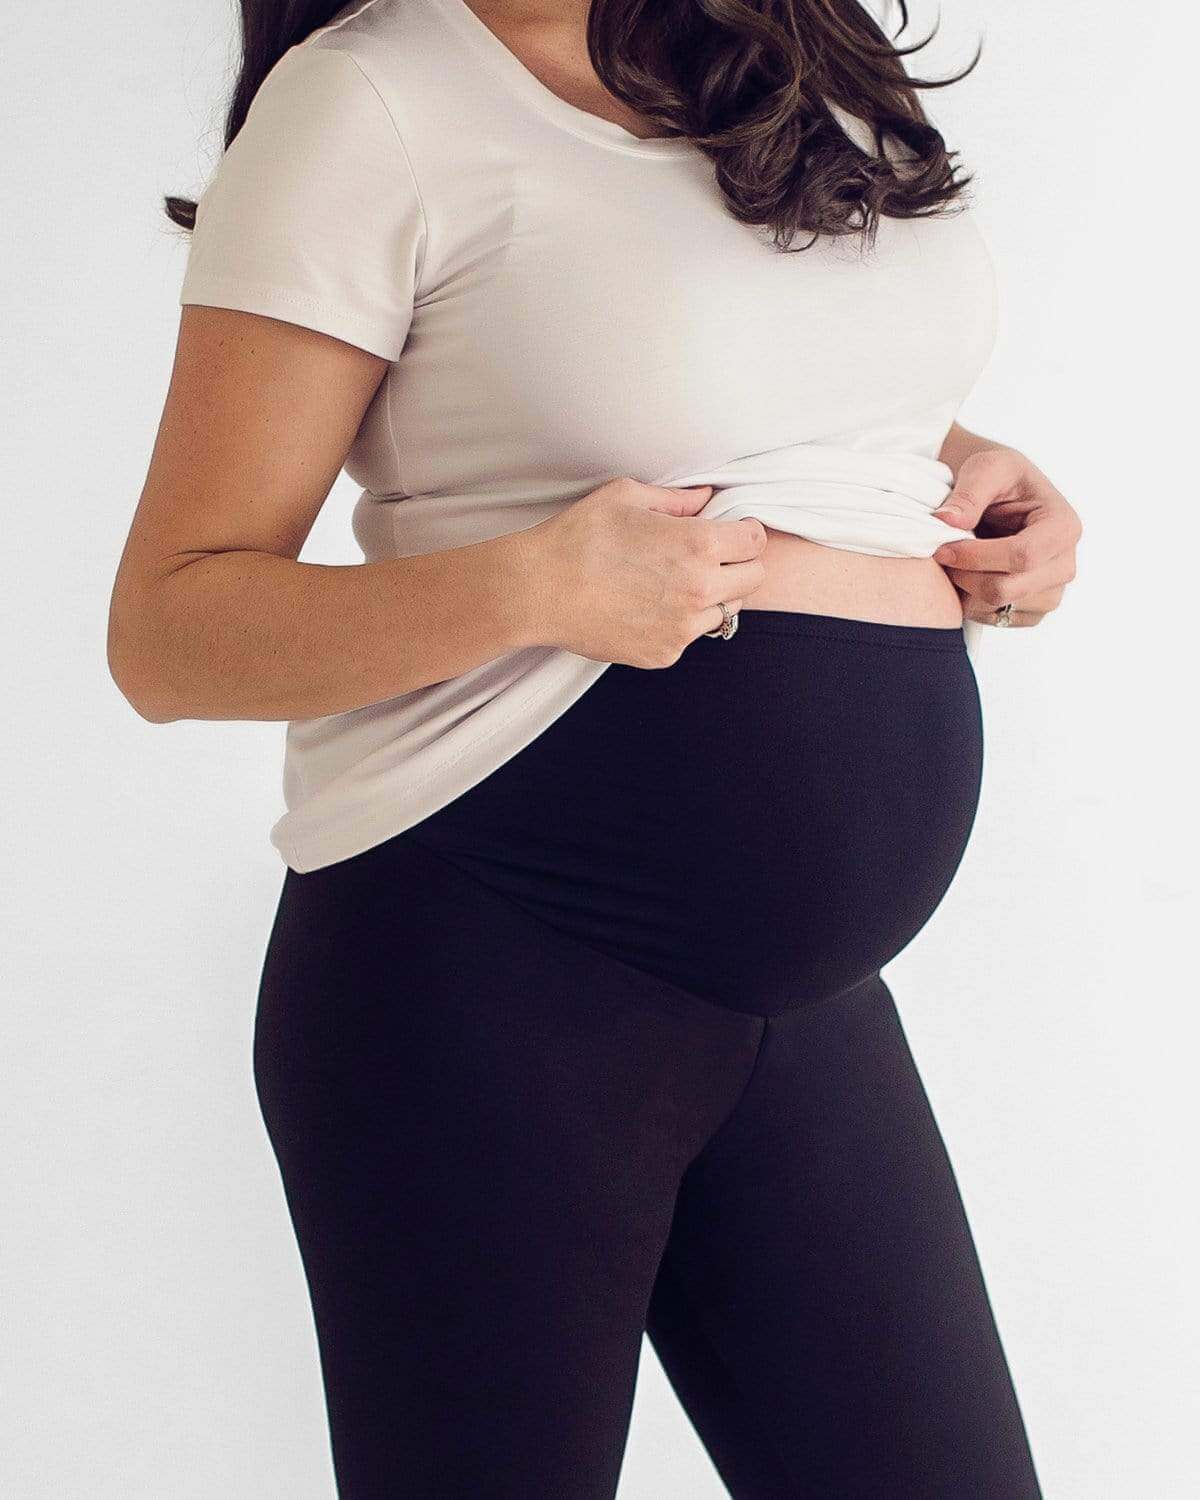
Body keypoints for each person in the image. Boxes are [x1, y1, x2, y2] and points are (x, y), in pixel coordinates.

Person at [108, 0, 1081, 1494]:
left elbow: (684, 358)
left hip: (803, 1000)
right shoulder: (371, 99)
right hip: (490, 974)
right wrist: (528, 588)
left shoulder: (792, 48)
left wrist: (959, 476)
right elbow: (168, 633)